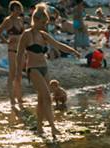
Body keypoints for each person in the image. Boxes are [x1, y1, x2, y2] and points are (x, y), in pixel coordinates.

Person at [16, 3, 79, 137]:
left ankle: (39, 128)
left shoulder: (43, 34)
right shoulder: (27, 35)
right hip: (33, 69)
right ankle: (53, 127)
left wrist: (73, 51)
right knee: (47, 97)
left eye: (46, 23)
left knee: (41, 100)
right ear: (36, 20)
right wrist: (18, 74)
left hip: (44, 68)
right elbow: (19, 54)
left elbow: (58, 45)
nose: (45, 25)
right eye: (43, 22)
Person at [0, 0, 25, 109]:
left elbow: (23, 34)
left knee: (19, 75)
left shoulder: (21, 20)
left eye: (19, 8)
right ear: (12, 9)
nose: (18, 10)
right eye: (16, 8)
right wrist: (6, 41)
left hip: (21, 50)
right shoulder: (8, 20)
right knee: (12, 74)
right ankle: (12, 99)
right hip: (12, 49)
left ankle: (19, 97)